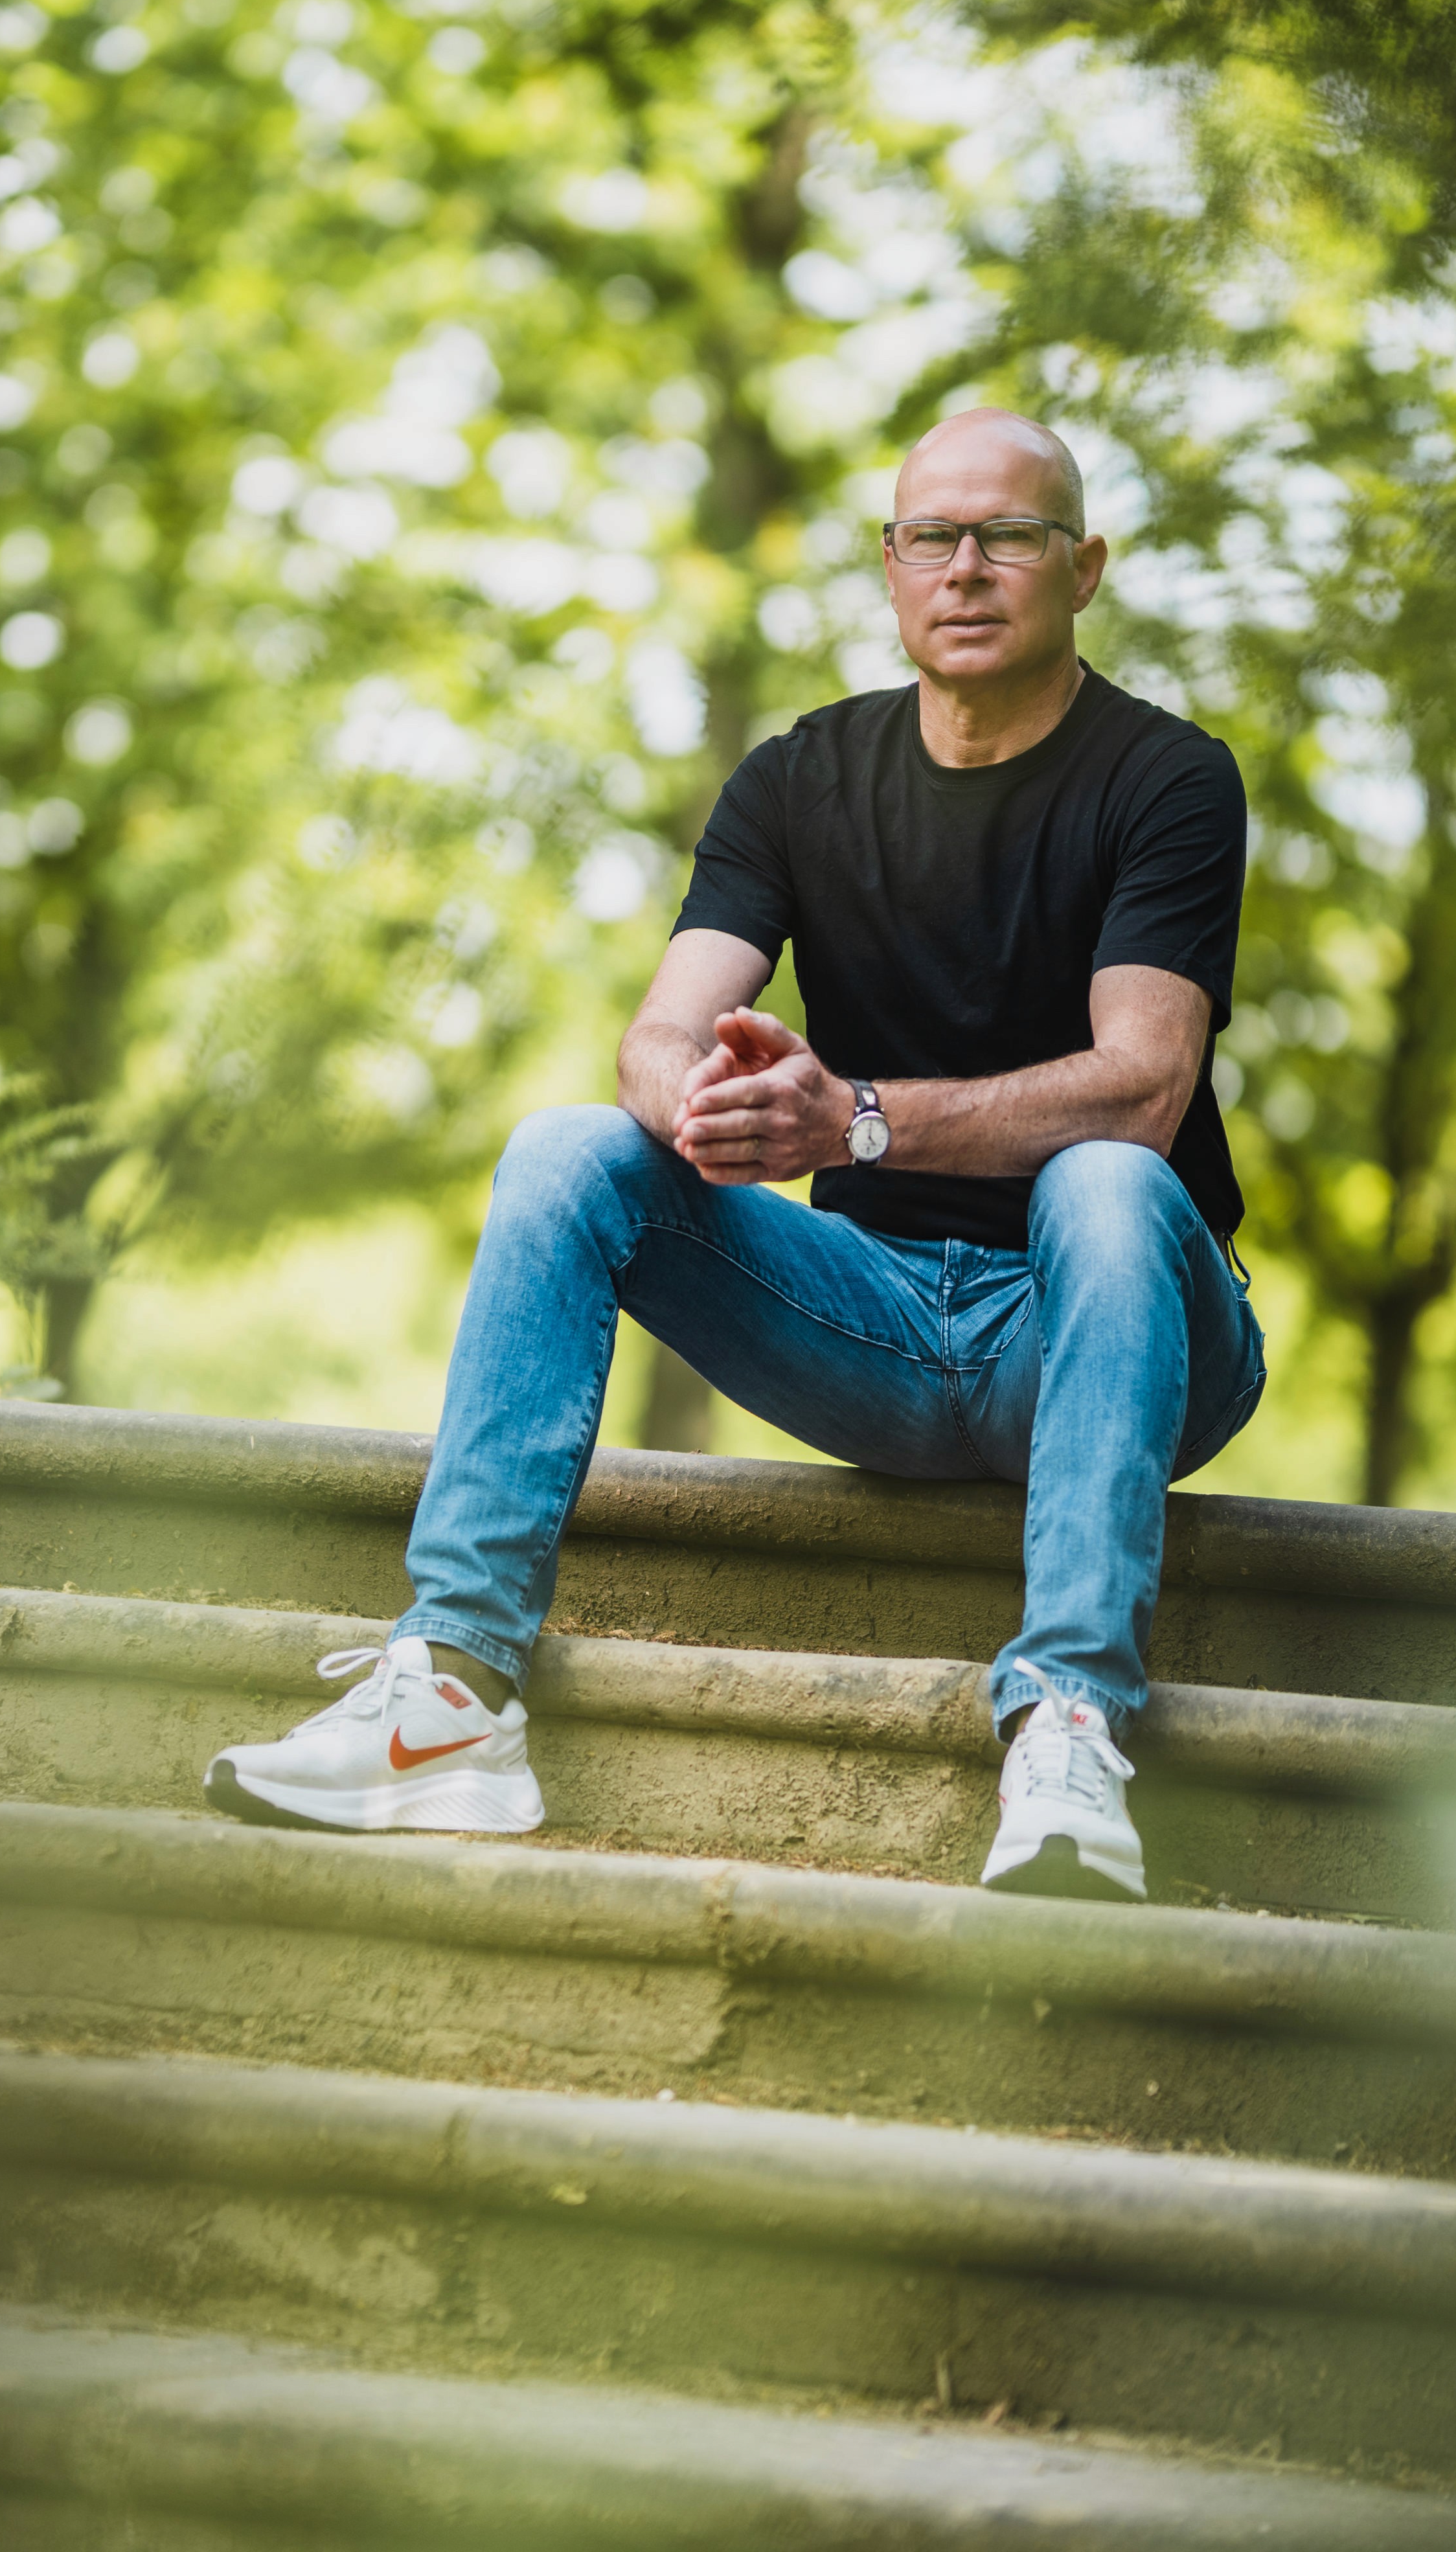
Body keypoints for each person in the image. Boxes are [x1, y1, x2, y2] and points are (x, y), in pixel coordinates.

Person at [201, 405, 1264, 1902]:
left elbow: (1146, 1090)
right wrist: (710, 1100)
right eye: (928, 538)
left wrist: (858, 1115)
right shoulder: (797, 780)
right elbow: (659, 1033)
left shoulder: (1166, 778)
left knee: (1104, 1179)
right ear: (887, 567)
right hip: (874, 1319)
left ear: (1082, 569)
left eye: (1006, 536)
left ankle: (1069, 1722)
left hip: (1110, 1323)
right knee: (571, 1150)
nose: (964, 569)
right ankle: (452, 1693)